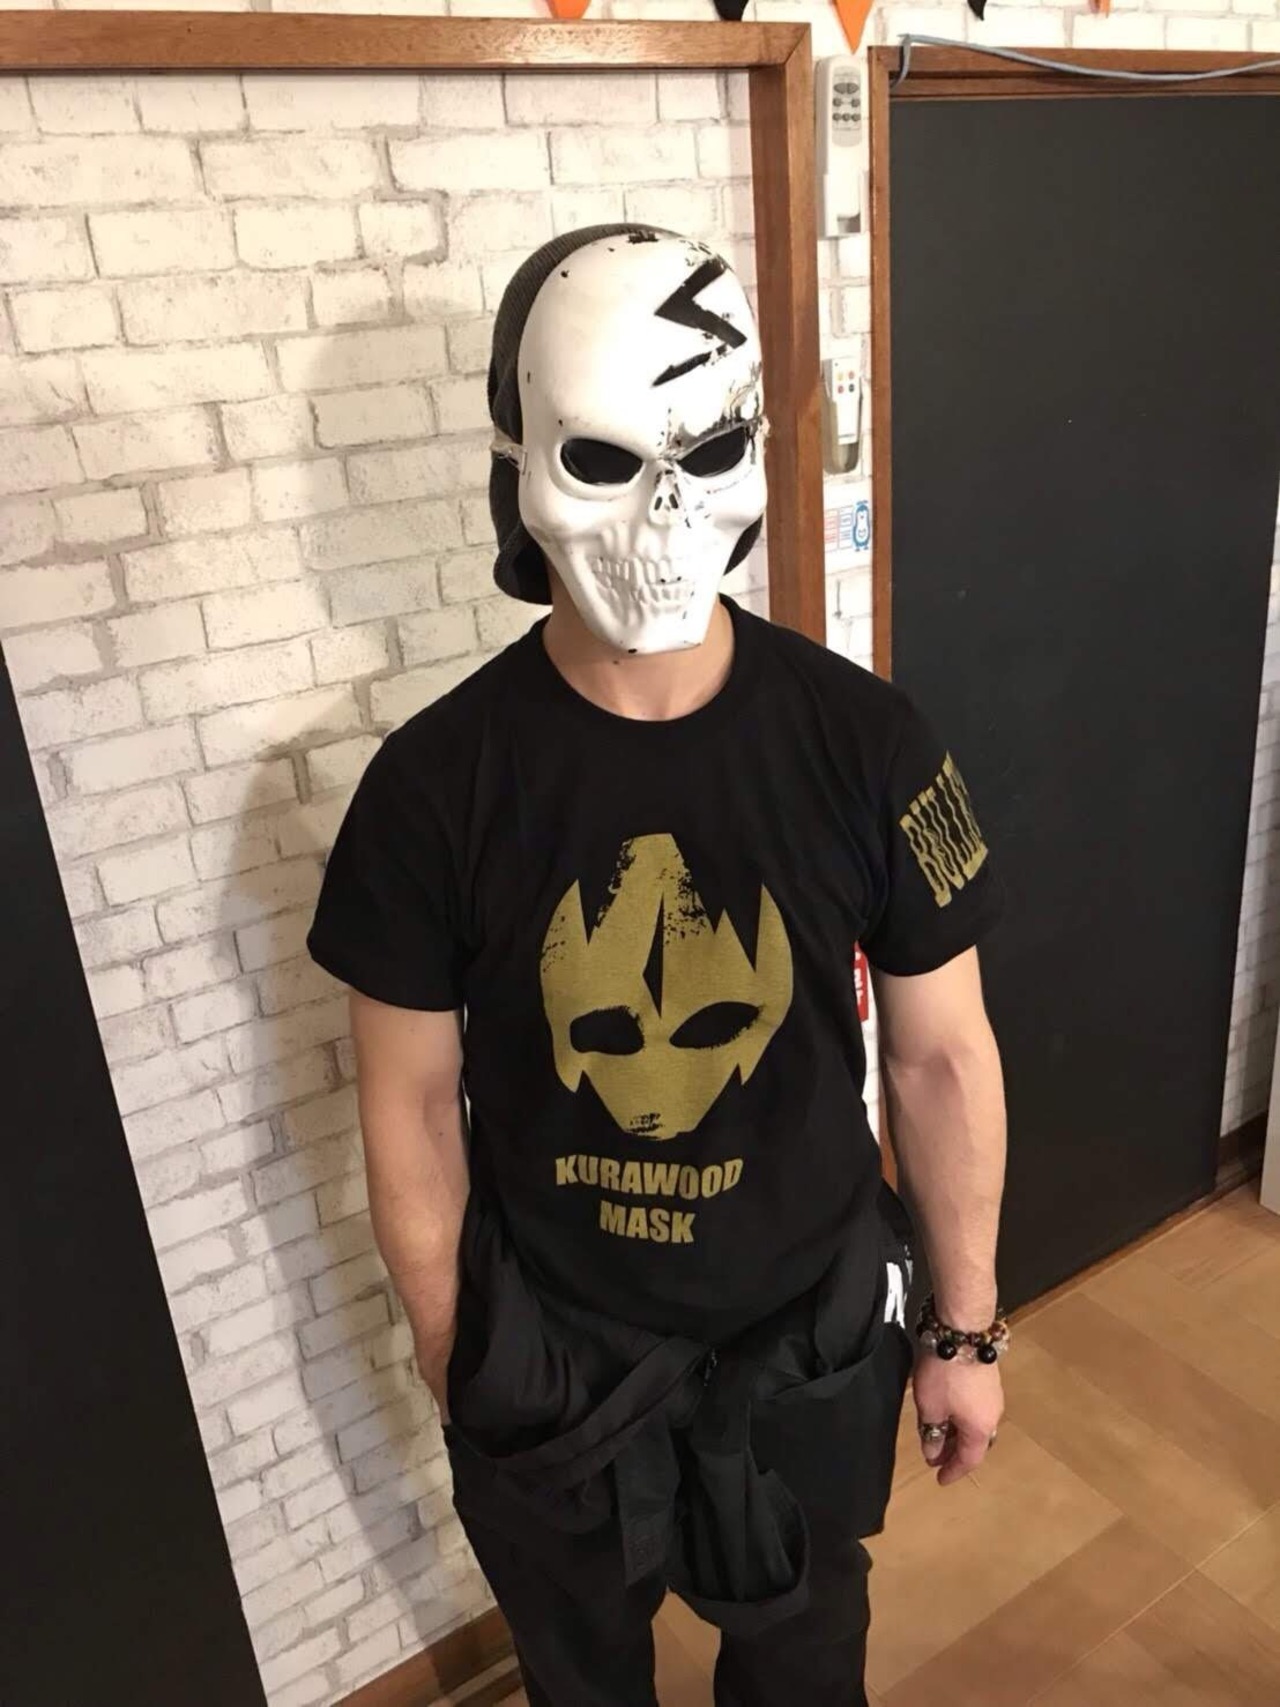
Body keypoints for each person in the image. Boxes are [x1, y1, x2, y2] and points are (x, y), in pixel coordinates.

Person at [306, 226, 1008, 1707]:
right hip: (552, 1350)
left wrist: (962, 1326)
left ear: (758, 456)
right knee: (582, 1686)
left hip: (808, 1329)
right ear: (521, 474)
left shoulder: (868, 745)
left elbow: (942, 1056)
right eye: (606, 463)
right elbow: (410, 1103)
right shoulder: (429, 792)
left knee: (804, 1670)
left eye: (713, 453)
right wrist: (453, 1353)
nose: (668, 514)